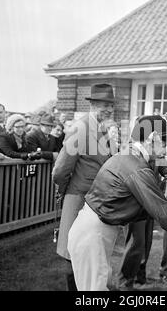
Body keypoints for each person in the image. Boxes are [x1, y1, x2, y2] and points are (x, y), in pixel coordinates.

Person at [67, 115, 167, 291]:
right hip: (92, 236)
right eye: (164, 142)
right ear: (152, 137)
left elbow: (128, 206)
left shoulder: (129, 156)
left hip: (94, 231)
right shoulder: (137, 167)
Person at [52, 83, 115, 291]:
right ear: (92, 105)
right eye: (103, 104)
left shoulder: (104, 130)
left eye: (110, 105)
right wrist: (65, 191)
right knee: (73, 255)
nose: (107, 109)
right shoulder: (80, 128)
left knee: (92, 255)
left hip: (96, 203)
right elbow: (60, 170)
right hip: (78, 200)